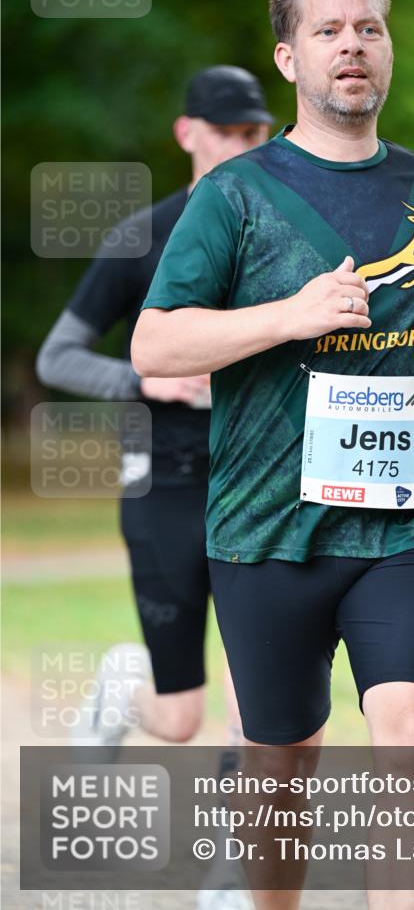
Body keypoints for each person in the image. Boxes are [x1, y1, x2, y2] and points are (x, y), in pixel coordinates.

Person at [132, 0, 414, 910]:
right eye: (328, 30)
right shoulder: (235, 193)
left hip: (405, 520)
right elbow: (155, 346)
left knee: (411, 730)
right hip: (265, 530)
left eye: (367, 28)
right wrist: (289, 316)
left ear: (387, 51)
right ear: (289, 58)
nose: (351, 46)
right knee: (283, 767)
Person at [36, 66, 273, 751]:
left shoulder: (282, 236)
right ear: (186, 133)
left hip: (256, 479)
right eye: (223, 132)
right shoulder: (141, 236)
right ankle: (120, 687)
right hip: (162, 482)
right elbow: (57, 356)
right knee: (178, 720)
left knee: (258, 683)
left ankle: (242, 853)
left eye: (252, 132)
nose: (238, 145)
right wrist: (145, 381)